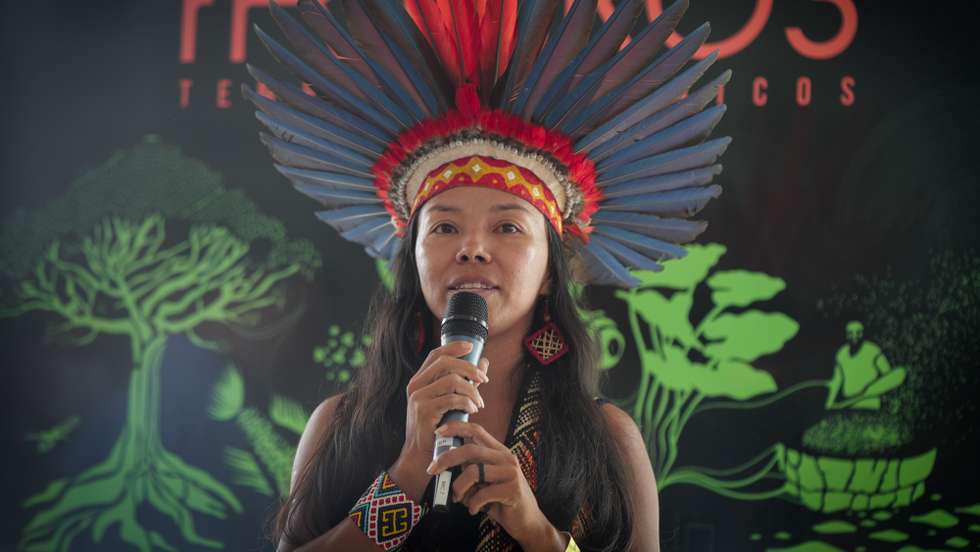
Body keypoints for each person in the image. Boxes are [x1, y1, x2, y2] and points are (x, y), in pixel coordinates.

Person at [243, 1, 731, 550]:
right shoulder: (338, 425)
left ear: (551, 273)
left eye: (507, 228)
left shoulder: (608, 439)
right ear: (413, 262)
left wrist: (534, 528)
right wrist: (406, 474)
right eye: (445, 228)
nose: (473, 249)